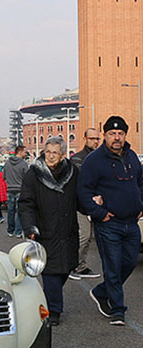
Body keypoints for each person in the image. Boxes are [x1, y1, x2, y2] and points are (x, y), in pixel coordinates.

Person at [77, 116, 143, 326]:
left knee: (130, 262)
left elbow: (141, 183)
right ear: (104, 135)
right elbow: (83, 191)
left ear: (125, 135)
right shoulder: (94, 161)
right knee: (112, 265)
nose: (117, 138)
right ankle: (117, 309)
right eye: (112, 134)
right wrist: (98, 213)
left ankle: (101, 291)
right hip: (109, 224)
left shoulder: (132, 157)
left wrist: (141, 205)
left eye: (120, 134)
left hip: (131, 223)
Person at [19, 136, 79, 326]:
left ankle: (48, 299)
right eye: (48, 152)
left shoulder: (72, 172)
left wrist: (95, 204)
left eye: (55, 153)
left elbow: (81, 196)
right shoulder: (34, 173)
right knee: (51, 271)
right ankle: (53, 310)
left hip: (68, 229)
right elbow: (26, 202)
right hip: (45, 229)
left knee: (65, 268)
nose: (51, 156)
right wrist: (29, 226)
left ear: (62, 155)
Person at [69, 128, 102, 280]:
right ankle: (72, 266)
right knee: (84, 235)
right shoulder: (78, 159)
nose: (95, 141)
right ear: (85, 138)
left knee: (88, 237)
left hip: (94, 205)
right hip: (79, 205)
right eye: (92, 138)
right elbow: (78, 184)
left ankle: (80, 266)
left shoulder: (97, 157)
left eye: (97, 139)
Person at [4, 146, 28, 237]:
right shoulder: (23, 164)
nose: (26, 154)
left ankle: (10, 230)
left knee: (10, 211)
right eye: (25, 152)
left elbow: (4, 176)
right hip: (20, 189)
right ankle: (18, 231)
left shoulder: (7, 163)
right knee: (19, 211)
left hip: (9, 189)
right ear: (20, 152)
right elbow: (27, 177)